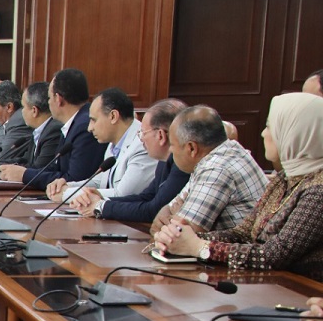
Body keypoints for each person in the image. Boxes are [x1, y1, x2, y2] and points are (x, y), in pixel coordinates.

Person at [154, 92, 323, 280]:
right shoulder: (285, 178)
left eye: (270, 127)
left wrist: (201, 247)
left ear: (296, 133)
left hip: (300, 289)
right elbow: (243, 233)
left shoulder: (318, 190)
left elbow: (275, 255)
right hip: (269, 283)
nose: (263, 133)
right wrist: (180, 239)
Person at [151, 105, 266, 235]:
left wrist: (172, 220)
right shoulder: (227, 150)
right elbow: (167, 212)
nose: (170, 151)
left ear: (192, 148)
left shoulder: (216, 169)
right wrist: (171, 217)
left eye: (172, 145)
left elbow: (178, 237)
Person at [70, 99, 190, 222]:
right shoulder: (164, 161)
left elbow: (153, 210)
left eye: (143, 133)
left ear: (160, 136)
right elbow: (146, 197)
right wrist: (100, 200)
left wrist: (100, 206)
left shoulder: (182, 165)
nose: (141, 139)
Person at [0, 68, 105, 191]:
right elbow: (55, 167)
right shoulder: (74, 122)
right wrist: (22, 172)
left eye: (49, 98)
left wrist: (25, 175)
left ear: (58, 99)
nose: (48, 103)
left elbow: (75, 180)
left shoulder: (83, 126)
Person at [45, 87, 156, 201]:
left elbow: (122, 195)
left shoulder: (142, 145)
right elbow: (99, 182)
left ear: (113, 116)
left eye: (94, 120)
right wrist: (66, 186)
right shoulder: (113, 144)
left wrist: (66, 194)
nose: (89, 128)